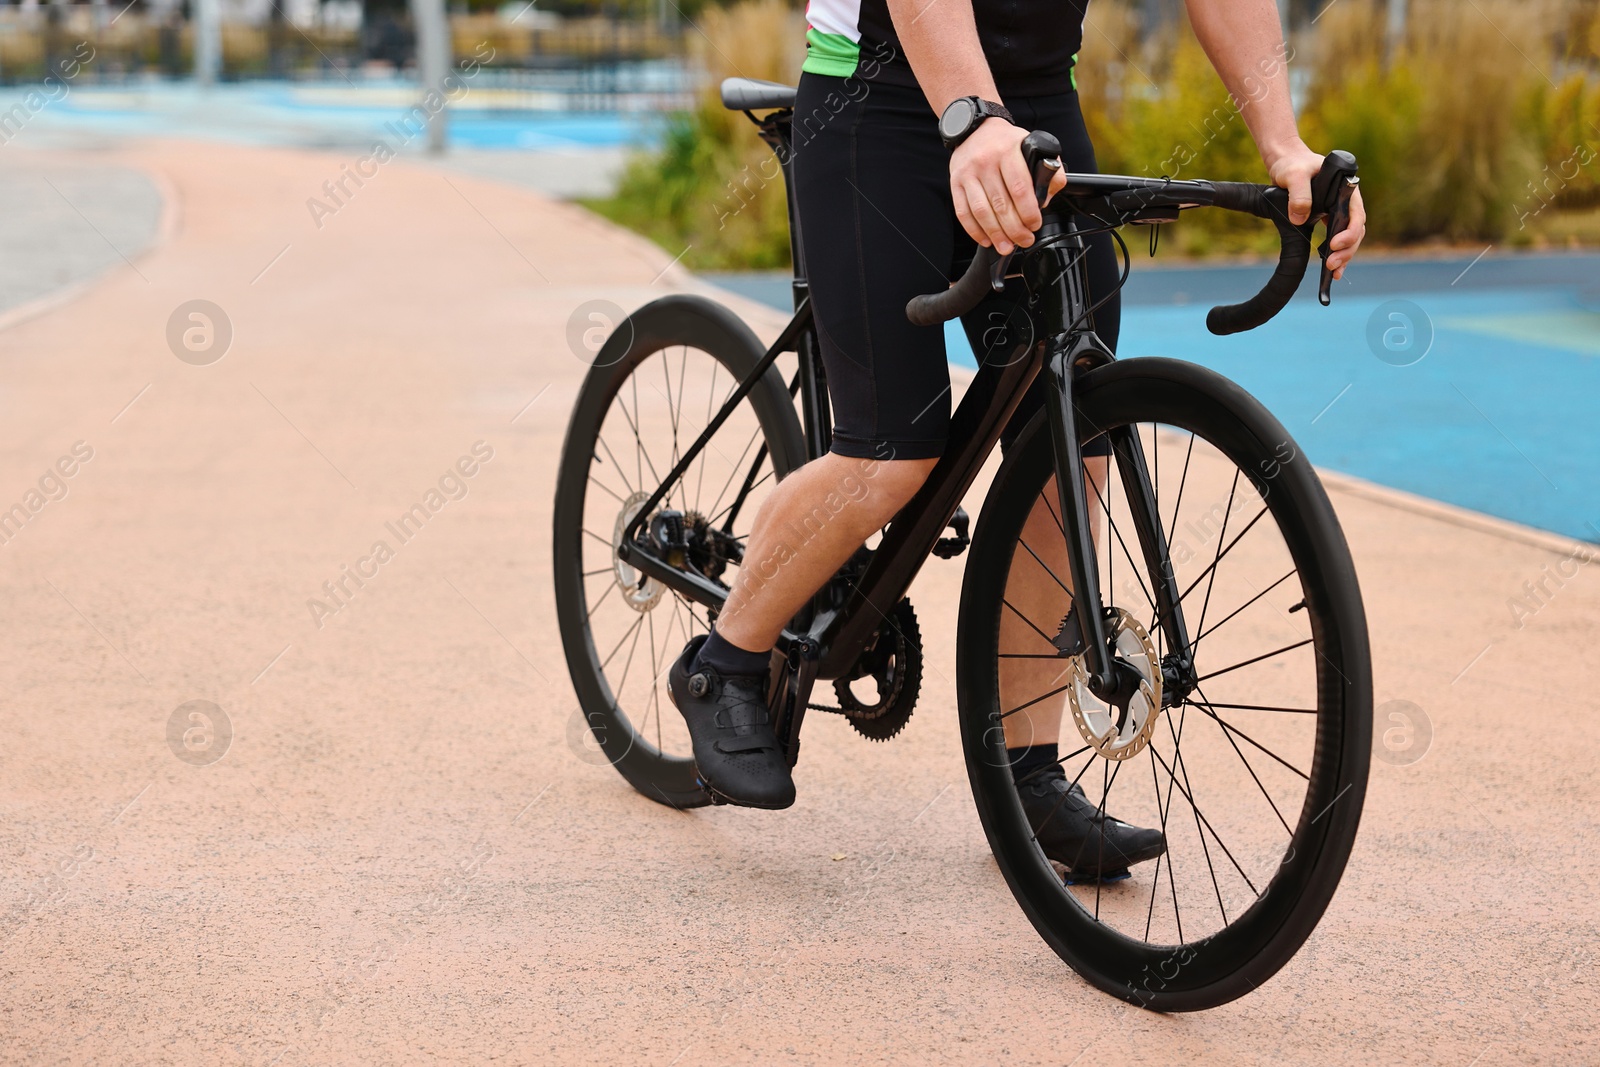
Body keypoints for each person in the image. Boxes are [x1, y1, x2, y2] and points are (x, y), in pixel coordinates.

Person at [667, 0, 1367, 878]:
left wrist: (1284, 146)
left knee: (1070, 442)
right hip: (873, 96)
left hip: (1031, 97)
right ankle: (725, 663)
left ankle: (1029, 774)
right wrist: (971, 119)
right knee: (892, 456)